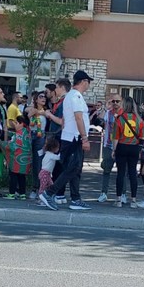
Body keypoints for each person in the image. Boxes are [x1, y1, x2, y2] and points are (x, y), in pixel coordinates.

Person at [39, 71, 93, 211]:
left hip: (72, 137)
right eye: (88, 82)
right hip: (74, 138)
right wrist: (84, 138)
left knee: (76, 169)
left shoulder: (72, 96)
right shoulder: (75, 96)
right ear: (83, 81)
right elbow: (78, 117)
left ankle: (75, 199)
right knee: (72, 168)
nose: (89, 85)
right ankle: (49, 192)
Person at [112, 97, 144, 208]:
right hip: (134, 147)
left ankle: (119, 199)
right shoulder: (139, 120)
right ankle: (134, 200)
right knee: (132, 173)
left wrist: (114, 150)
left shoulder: (119, 119)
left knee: (121, 173)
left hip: (122, 146)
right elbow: (142, 136)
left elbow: (115, 136)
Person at [96, 94, 120, 203]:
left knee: (122, 172)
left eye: (117, 101)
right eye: (113, 101)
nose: (115, 103)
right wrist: (106, 107)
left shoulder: (123, 114)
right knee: (106, 169)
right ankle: (104, 192)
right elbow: (99, 118)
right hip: (108, 145)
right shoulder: (108, 113)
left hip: (120, 145)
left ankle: (122, 194)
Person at [4, 112, 34, 199]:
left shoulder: (19, 134)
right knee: (22, 177)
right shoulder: (28, 132)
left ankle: (12, 193)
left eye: (16, 123)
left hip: (17, 159)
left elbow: (12, 146)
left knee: (13, 175)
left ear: (21, 124)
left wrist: (4, 144)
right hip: (26, 160)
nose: (15, 125)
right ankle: (22, 194)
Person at [37, 134, 61, 201]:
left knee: (50, 186)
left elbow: (39, 153)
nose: (58, 149)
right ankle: (41, 199)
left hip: (47, 173)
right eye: (57, 148)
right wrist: (62, 152)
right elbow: (58, 157)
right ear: (54, 148)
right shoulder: (51, 155)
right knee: (43, 187)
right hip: (45, 173)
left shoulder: (47, 153)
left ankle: (49, 197)